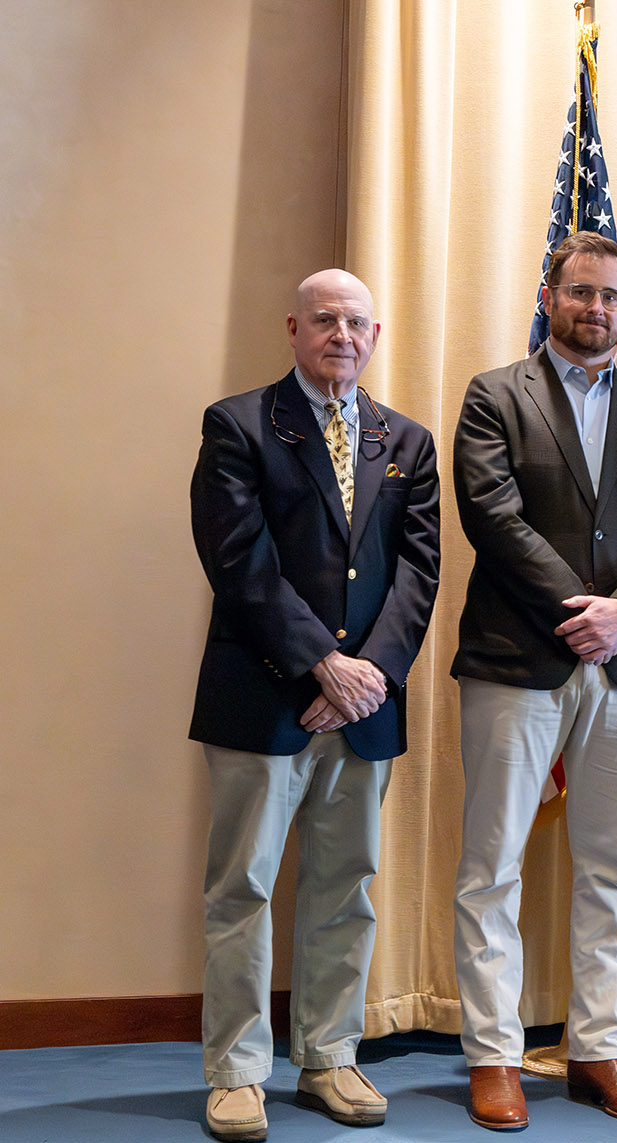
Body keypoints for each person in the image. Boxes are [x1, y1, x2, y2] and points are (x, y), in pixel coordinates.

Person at [451, 232, 617, 1128]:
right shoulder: (493, 395)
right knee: (492, 864)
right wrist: (581, 607)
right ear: (549, 293)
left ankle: (601, 1048)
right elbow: (493, 514)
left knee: (612, 865)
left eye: (612, 296)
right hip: (520, 656)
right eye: (581, 291)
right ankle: (494, 1055)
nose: (597, 308)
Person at [190, 269, 442, 1140]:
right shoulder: (239, 425)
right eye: (325, 319)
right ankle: (237, 1070)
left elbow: (419, 573)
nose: (342, 333)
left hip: (364, 705)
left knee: (347, 888)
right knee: (244, 888)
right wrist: (320, 664)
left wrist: (365, 674)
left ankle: (330, 1056)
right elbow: (237, 560)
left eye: (357, 322)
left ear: (377, 335)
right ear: (293, 326)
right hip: (263, 694)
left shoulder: (406, 440)